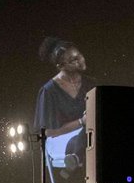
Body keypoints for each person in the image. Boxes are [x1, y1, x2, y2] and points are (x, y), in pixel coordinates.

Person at [34, 36, 96, 172]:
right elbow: (47, 132)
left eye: (79, 55)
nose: (79, 61)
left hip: (90, 136)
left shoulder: (91, 84)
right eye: (72, 60)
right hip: (59, 141)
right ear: (60, 66)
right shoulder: (49, 91)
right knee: (91, 136)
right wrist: (81, 121)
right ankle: (76, 158)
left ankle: (77, 158)